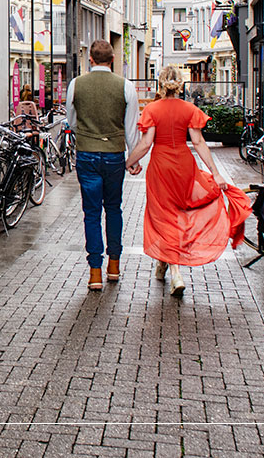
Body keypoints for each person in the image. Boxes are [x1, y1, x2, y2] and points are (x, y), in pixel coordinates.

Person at [125, 64, 250, 297]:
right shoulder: (190, 109)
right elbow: (199, 142)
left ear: (161, 83)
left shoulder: (152, 109)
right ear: (180, 84)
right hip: (184, 165)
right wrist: (215, 173)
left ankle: (175, 272)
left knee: (163, 215)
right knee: (178, 214)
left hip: (161, 166)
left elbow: (146, 143)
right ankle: (164, 262)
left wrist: (129, 162)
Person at [66, 40, 140, 291]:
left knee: (91, 213)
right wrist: (134, 158)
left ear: (91, 59)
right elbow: (131, 128)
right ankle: (114, 265)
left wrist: (87, 133)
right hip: (114, 155)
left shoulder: (76, 84)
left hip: (86, 153)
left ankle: (94, 272)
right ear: (112, 59)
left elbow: (72, 121)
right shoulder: (125, 86)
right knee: (114, 209)